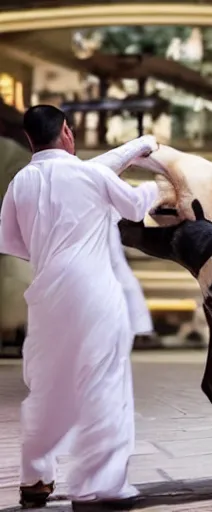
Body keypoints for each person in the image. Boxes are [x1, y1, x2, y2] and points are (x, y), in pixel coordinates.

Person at [0, 105, 161, 510]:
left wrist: (46, 248)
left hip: (45, 298)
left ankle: (35, 479)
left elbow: (10, 242)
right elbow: (136, 207)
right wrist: (164, 185)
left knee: (45, 389)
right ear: (67, 133)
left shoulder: (21, 181)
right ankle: (99, 486)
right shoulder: (91, 174)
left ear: (31, 139)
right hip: (94, 296)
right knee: (105, 384)